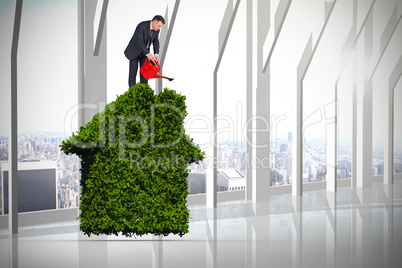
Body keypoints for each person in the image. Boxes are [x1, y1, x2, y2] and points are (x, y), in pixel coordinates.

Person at [124, 15, 165, 87]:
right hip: (134, 51)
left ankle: (144, 93)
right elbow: (139, 41)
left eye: (160, 27)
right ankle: (132, 93)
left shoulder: (156, 30)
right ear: (154, 22)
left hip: (144, 53)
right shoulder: (141, 26)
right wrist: (148, 53)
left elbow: (156, 42)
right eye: (159, 26)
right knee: (133, 74)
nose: (159, 28)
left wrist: (156, 54)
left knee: (145, 74)